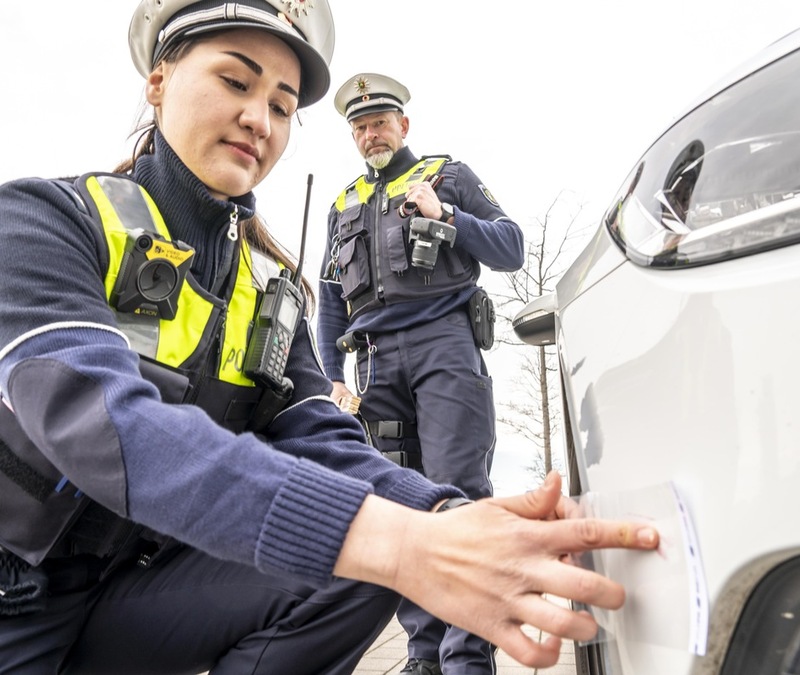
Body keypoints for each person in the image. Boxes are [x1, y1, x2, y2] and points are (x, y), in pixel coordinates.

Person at [0, 2, 659, 673]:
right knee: (378, 541)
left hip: (142, 588)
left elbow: (325, 437)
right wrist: (400, 539)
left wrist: (450, 517)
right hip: (17, 591)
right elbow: (109, 428)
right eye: (236, 82)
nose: (259, 119)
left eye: (282, 106)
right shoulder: (45, 220)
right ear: (159, 80)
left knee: (373, 555)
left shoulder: (271, 283)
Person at [317, 72, 525, 674]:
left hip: (444, 347)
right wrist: (333, 376)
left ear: (403, 125)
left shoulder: (446, 174)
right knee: (401, 509)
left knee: (458, 496)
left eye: (379, 121)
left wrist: (450, 215)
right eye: (359, 126)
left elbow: (509, 247)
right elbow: (330, 298)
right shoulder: (343, 203)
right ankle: (424, 656)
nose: (369, 133)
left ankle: (466, 660)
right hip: (373, 360)